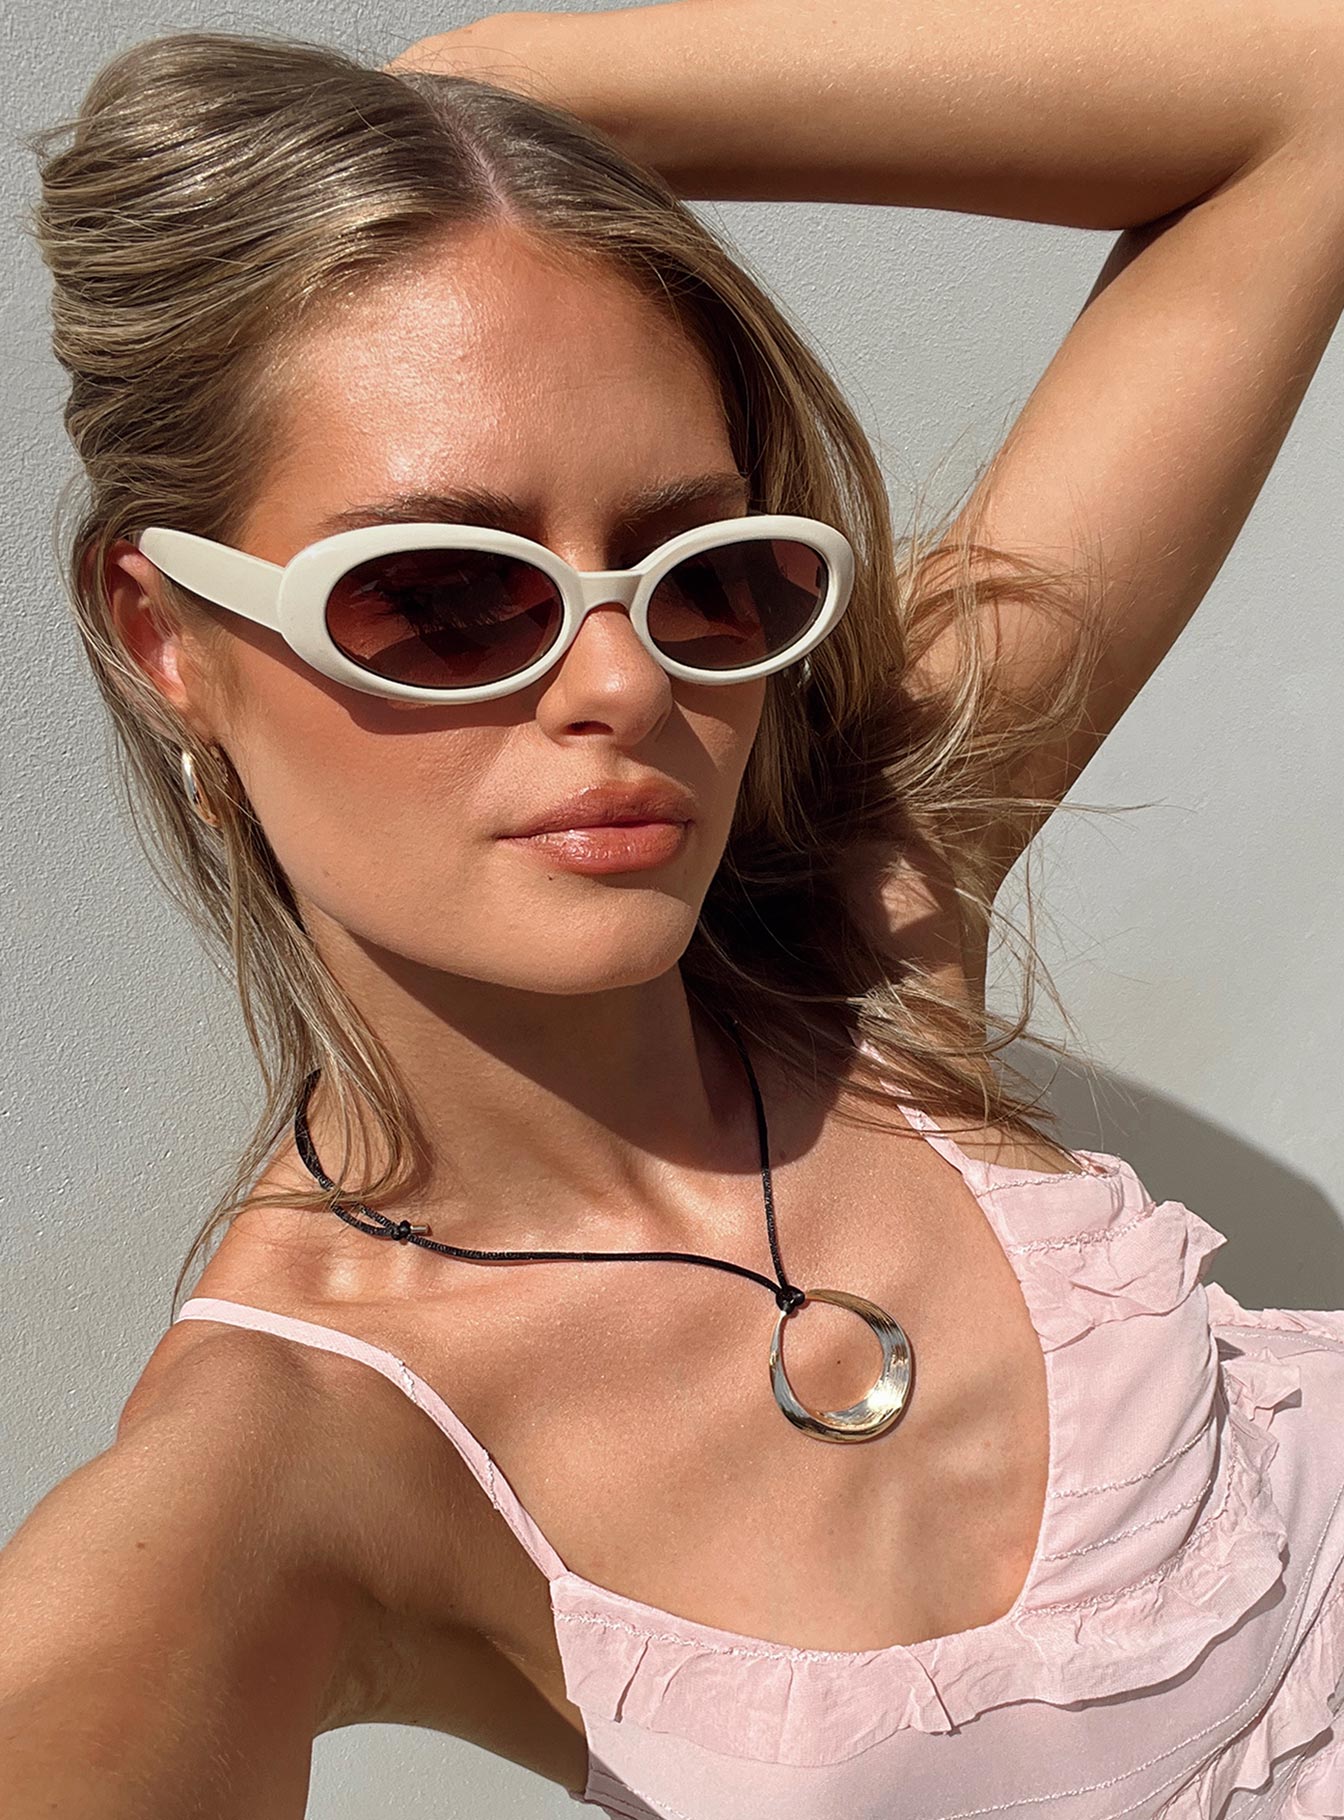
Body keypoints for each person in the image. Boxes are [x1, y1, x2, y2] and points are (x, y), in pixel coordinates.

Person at [4, 3, 1343, 1815]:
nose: (627, 684)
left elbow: (1309, 101)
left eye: (708, 576)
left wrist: (487, 102)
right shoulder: (303, 1453)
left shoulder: (864, 934)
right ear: (166, 635)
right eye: (445, 596)